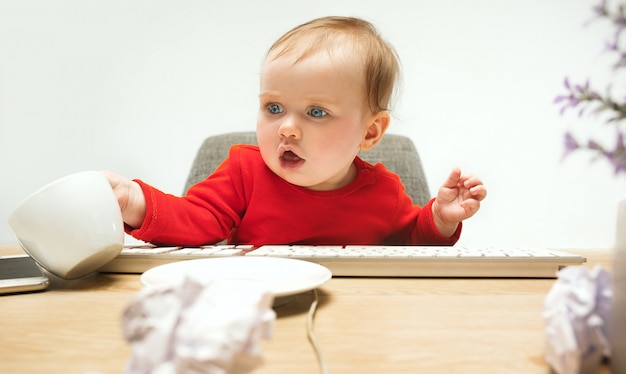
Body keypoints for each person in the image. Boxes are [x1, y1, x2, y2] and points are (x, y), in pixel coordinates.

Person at [103, 16, 487, 247]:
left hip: (356, 315)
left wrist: (441, 218)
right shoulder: (244, 172)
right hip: (263, 308)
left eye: (316, 112)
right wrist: (133, 200)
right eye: (274, 108)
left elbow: (411, 241)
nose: (286, 127)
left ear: (370, 133)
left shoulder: (383, 193)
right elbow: (193, 218)